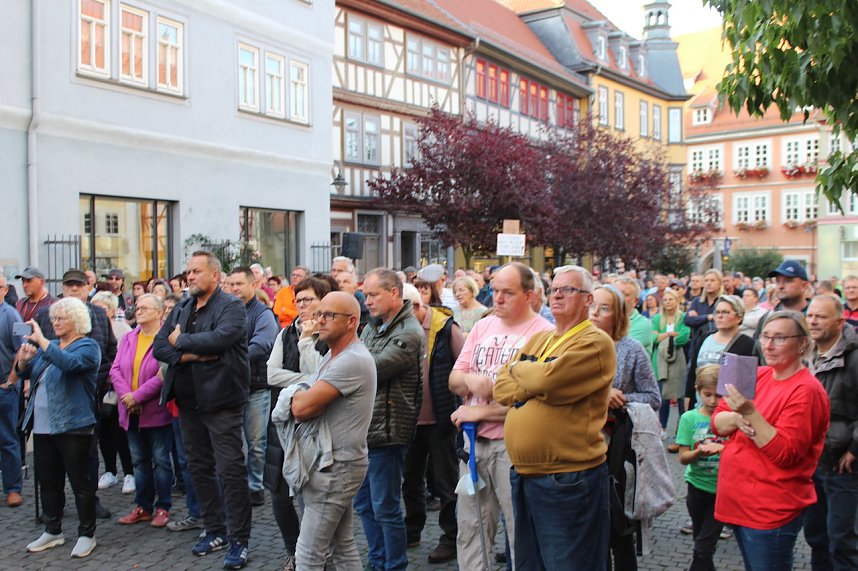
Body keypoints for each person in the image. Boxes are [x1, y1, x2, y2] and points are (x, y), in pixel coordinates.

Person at [494, 265, 615, 570]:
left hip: (567, 479)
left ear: (588, 300)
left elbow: (545, 381)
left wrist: (522, 371)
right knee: (529, 564)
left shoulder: (595, 342)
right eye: (554, 289)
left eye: (568, 289)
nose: (557, 294)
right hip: (525, 475)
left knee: (568, 564)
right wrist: (534, 378)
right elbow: (501, 388)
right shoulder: (541, 340)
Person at [448, 262, 554, 569]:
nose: (498, 298)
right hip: (472, 445)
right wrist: (471, 382)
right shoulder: (483, 326)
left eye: (508, 292)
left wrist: (480, 409)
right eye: (494, 290)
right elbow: (454, 380)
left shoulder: (543, 335)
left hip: (514, 448)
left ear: (530, 295)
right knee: (471, 530)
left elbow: (534, 403)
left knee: (520, 531)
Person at [153, 251, 252, 570]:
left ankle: (239, 539)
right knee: (198, 468)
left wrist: (181, 341)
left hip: (221, 400)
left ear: (214, 275)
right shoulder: (181, 306)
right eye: (188, 271)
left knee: (230, 469)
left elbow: (221, 339)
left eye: (197, 271)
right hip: (187, 402)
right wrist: (190, 354)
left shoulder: (231, 306)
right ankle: (214, 529)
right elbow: (160, 346)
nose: (190, 276)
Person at [712, 310, 829, 571]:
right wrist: (738, 419)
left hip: (770, 510)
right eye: (765, 336)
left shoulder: (806, 390)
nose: (768, 345)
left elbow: (786, 453)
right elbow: (717, 422)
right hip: (738, 502)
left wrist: (749, 414)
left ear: (801, 344)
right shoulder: (758, 373)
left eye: (779, 338)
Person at [285, 292, 377, 570]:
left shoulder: (351, 360)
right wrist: (302, 396)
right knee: (342, 545)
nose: (318, 321)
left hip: (337, 466)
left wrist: (297, 396)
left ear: (351, 322)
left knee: (308, 553)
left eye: (328, 315)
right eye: (318, 314)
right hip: (333, 463)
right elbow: (304, 399)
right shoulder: (335, 356)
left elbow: (301, 407)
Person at [12, 298, 100, 558]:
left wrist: (42, 342)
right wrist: (23, 362)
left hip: (73, 425)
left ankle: (87, 534)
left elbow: (69, 364)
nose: (55, 323)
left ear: (77, 320)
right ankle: (53, 530)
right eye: (54, 319)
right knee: (48, 481)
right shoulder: (51, 347)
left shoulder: (87, 346)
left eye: (61, 318)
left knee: (80, 483)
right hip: (43, 427)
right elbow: (28, 374)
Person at [35, 269, 121, 515]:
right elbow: (40, 356)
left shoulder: (98, 315)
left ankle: (90, 500)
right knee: (51, 457)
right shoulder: (47, 315)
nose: (73, 290)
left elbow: (109, 352)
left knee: (86, 454)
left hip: (90, 393)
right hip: (55, 395)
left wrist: (101, 382)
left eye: (78, 286)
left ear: (87, 288)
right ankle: (54, 508)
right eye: (68, 286)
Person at [355, 268, 423, 571]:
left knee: (386, 506)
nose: (366, 301)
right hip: (365, 429)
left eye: (373, 295)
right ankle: (378, 559)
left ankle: (394, 564)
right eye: (365, 295)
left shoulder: (408, 331)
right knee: (364, 504)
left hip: (388, 431)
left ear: (394, 294)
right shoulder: (373, 326)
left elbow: (369, 369)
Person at [589, 284, 660, 571]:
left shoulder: (630, 349)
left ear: (617, 315)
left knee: (617, 523)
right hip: (578, 445)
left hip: (616, 448)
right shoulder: (576, 344)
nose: (594, 312)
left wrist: (621, 398)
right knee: (591, 527)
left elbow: (653, 397)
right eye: (592, 304)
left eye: (603, 308)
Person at [266, 276, 334, 570]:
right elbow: (271, 375)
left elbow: (320, 372)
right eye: (299, 300)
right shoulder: (285, 334)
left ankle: (314, 553)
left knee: (309, 494)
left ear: (323, 301)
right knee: (279, 494)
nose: (303, 305)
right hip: (282, 421)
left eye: (309, 299)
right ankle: (294, 549)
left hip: (313, 423)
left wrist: (308, 342)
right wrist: (306, 382)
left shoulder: (329, 335)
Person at [400, 286, 464, 563]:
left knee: (445, 481)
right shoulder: (394, 329)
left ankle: (451, 537)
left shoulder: (445, 327)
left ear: (414, 306)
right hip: (409, 419)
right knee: (411, 479)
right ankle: (412, 529)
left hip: (441, 418)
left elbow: (464, 365)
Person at [805, 295, 858, 571]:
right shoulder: (807, 353)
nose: (813, 321)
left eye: (821, 317)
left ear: (839, 322)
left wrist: (854, 449)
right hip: (813, 460)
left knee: (842, 540)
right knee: (816, 536)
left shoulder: (854, 355)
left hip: (842, 463)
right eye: (811, 315)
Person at [111, 293, 174, 528]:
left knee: (161, 461)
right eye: (137, 307)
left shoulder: (165, 339)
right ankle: (143, 506)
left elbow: (162, 375)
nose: (138, 310)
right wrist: (127, 397)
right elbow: (116, 369)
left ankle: (163, 506)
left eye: (145, 308)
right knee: (139, 461)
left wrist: (136, 396)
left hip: (155, 411)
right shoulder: (128, 338)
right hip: (131, 411)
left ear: (159, 313)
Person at [228, 267, 278, 508]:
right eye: (231, 284)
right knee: (232, 441)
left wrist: (228, 359)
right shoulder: (225, 312)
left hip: (256, 386)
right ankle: (237, 485)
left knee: (256, 442)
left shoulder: (263, 314)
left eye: (239, 284)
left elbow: (263, 344)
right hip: (230, 386)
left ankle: (255, 485)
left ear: (252, 285)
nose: (235, 288)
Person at [676, 365, 726, 571]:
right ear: (698, 391)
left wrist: (722, 449)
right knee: (702, 545)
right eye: (708, 395)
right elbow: (683, 457)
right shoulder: (689, 418)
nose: (713, 401)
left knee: (703, 549)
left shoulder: (729, 420)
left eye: (719, 395)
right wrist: (699, 452)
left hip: (722, 492)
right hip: (696, 488)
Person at [684, 295, 756, 417]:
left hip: (727, 412)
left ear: (739, 317)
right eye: (717, 312)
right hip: (699, 408)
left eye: (725, 312)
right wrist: (687, 401)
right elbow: (692, 373)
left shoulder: (747, 344)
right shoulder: (705, 338)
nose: (720, 316)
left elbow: (748, 385)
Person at [651, 288, 690, 440]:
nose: (668, 302)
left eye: (670, 299)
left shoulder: (682, 317)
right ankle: (662, 427)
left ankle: (681, 429)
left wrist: (663, 337)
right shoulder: (657, 318)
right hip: (660, 360)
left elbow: (684, 337)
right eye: (665, 300)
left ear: (676, 300)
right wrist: (669, 334)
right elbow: (653, 338)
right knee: (663, 395)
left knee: (680, 395)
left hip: (678, 361)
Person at [0, 275, 23, 507]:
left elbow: (21, 350)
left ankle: (13, 489)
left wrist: (11, 381)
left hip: (4, 388)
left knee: (7, 439)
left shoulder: (10, 315)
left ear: (4, 289)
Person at [614, 276, 654, 359]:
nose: (619, 297)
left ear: (635, 301)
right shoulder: (604, 318)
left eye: (625, 295)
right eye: (615, 293)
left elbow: (618, 351)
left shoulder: (642, 324)